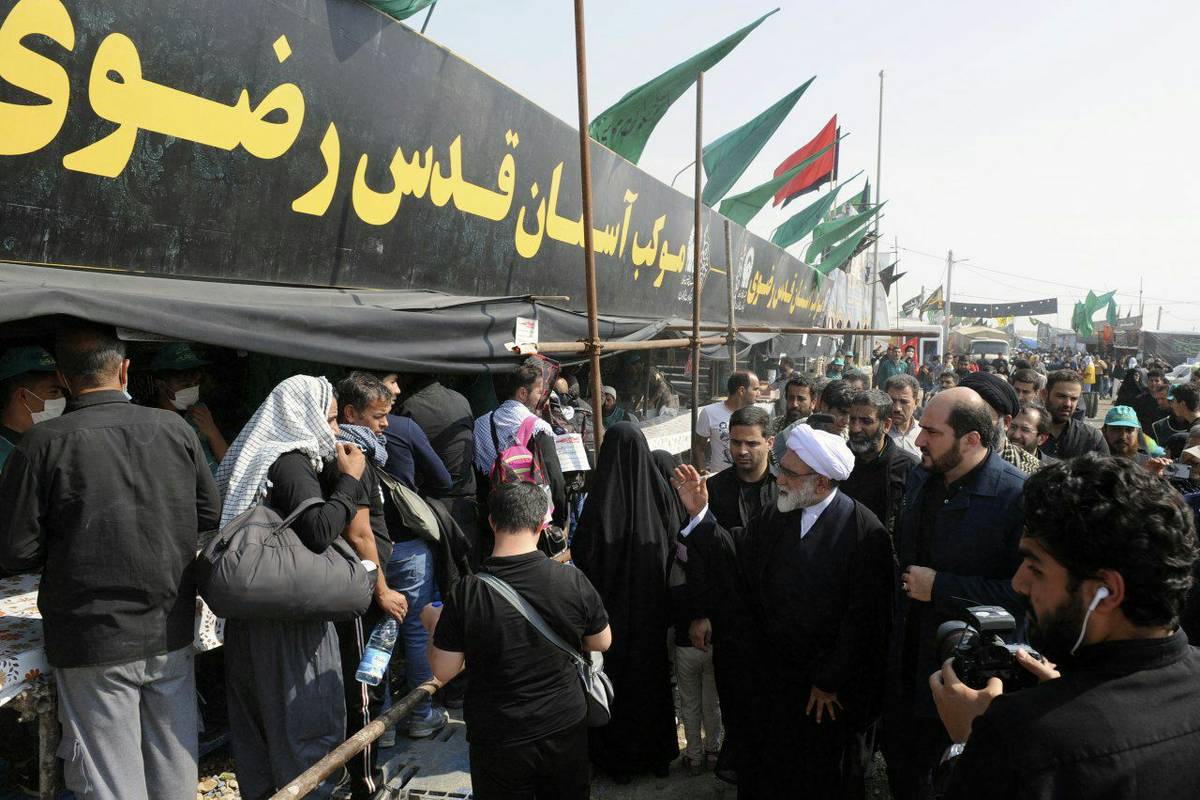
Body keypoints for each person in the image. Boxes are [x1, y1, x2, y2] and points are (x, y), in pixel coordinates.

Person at [0, 323, 221, 800]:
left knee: (110, 777)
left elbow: (16, 551)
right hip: (169, 623)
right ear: (124, 369)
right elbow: (209, 514)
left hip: (91, 636)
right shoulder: (175, 429)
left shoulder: (41, 444)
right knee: (174, 761)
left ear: (64, 377)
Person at [931, 456, 1200, 799]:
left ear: (1107, 592)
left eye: (1036, 568)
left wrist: (968, 743)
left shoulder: (1022, 738)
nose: (1018, 583)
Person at [673, 424, 894, 796]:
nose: (779, 479)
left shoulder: (863, 533)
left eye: (790, 473)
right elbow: (736, 556)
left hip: (823, 695)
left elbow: (865, 622)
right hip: (774, 684)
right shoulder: (779, 514)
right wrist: (701, 515)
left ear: (821, 482)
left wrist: (829, 680)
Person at [217, 375, 370, 799]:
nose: (335, 432)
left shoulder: (260, 457)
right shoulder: (290, 461)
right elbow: (318, 531)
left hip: (252, 616)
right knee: (306, 724)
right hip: (291, 624)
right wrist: (350, 480)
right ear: (304, 416)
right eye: (331, 419)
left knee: (258, 733)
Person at [424, 482, 612, 799]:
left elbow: (444, 670)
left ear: (492, 522)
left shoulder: (466, 593)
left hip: (498, 733)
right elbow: (602, 641)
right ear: (541, 525)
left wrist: (433, 624)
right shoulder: (571, 579)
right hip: (564, 723)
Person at [882, 388, 1027, 800]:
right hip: (907, 666)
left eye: (932, 432)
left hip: (970, 678)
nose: (919, 440)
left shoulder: (1016, 496)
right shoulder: (921, 477)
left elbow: (1026, 594)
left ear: (971, 439)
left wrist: (942, 587)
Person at [572, 423, 681, 781]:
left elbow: (583, 552)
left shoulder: (601, 500)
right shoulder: (660, 494)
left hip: (611, 616)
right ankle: (657, 758)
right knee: (652, 681)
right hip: (652, 611)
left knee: (616, 682)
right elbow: (674, 541)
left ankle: (618, 764)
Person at [330, 372, 411, 794]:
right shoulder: (352, 458)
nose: (385, 424)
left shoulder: (365, 455)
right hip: (363, 590)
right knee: (364, 688)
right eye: (378, 416)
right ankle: (364, 781)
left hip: (369, 584)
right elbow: (360, 534)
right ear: (351, 413)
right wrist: (382, 591)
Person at [688, 406, 777, 784]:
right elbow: (698, 556)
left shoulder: (785, 487)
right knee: (735, 697)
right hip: (729, 617)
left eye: (751, 443)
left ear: (769, 443)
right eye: (735, 442)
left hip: (774, 619)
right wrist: (700, 612)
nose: (741, 451)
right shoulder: (715, 489)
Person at [473, 360, 567, 529]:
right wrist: (560, 520)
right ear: (523, 393)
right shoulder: (538, 427)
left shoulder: (480, 424)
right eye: (540, 392)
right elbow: (555, 479)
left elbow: (478, 473)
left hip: (493, 517)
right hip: (530, 519)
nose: (543, 399)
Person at [842, 389, 918, 536]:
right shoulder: (838, 459)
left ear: (886, 425)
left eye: (866, 421)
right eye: (852, 419)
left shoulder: (909, 467)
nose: (856, 428)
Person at [150, 342, 229, 476]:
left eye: (195, 383)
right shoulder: (151, 422)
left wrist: (212, 432)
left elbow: (229, 465)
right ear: (161, 384)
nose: (192, 389)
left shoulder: (200, 414)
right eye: (184, 384)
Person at [961, 372, 1040, 475]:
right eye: (963, 416)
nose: (971, 424)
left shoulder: (1032, 470)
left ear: (1006, 422)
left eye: (983, 418)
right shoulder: (943, 456)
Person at [0, 345, 64, 471]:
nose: (62, 398)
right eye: (54, 392)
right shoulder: (5, 455)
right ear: (23, 396)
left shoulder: (52, 444)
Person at [693, 370, 760, 474]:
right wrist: (702, 470)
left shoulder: (757, 416)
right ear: (742, 390)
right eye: (755, 389)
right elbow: (698, 446)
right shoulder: (709, 413)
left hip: (749, 478)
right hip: (719, 479)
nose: (759, 394)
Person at [1040, 370, 1109, 459]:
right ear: (1044, 394)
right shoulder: (1027, 433)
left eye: (1073, 399)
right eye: (1061, 396)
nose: (1068, 404)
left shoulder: (1091, 438)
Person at [886, 374, 923, 458]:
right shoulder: (877, 433)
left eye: (904, 402)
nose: (897, 408)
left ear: (916, 403)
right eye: (892, 401)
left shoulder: (923, 432)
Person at [1007, 400, 1054, 465]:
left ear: (1042, 439)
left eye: (1025, 430)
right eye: (1013, 427)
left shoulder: (1052, 469)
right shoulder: (995, 459)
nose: (1016, 435)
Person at [1133, 368, 1171, 434]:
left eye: (1157, 381)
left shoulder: (1168, 399)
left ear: (1162, 382)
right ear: (1147, 381)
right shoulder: (1140, 399)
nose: (1153, 383)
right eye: (1151, 380)